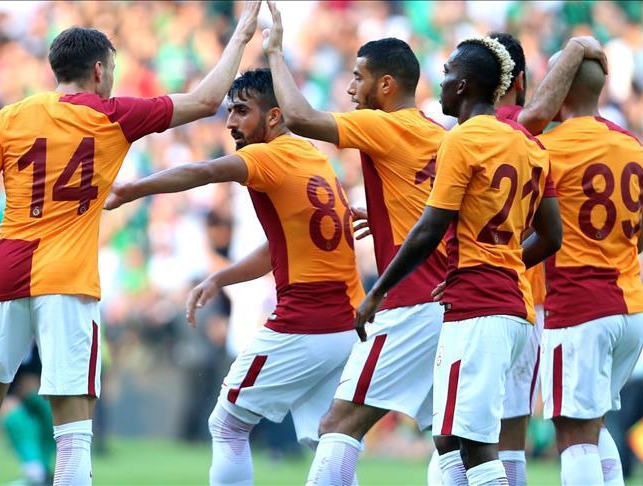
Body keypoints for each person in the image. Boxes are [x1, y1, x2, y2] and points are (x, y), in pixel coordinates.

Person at [0, 3, 262, 484]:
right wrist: (241, 35)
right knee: (73, 425)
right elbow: (207, 100)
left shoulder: (11, 117)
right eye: (113, 70)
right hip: (68, 279)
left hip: (6, 273)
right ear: (99, 71)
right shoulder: (115, 116)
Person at [104, 68, 363, 486]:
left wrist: (132, 190)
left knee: (227, 424)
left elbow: (206, 171)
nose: (230, 122)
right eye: (229, 111)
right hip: (345, 325)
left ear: (274, 116)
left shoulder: (268, 155)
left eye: (242, 111)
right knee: (329, 435)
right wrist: (220, 278)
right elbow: (280, 248)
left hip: (306, 322)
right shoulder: (313, 157)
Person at [355, 36, 562, 485]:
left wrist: (377, 292)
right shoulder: (530, 145)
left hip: (478, 307)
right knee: (449, 437)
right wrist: (503, 262)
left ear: (464, 85)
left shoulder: (461, 139)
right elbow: (551, 236)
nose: (441, 83)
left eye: (447, 74)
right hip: (514, 306)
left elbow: (429, 229)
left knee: (475, 444)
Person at [260, 3, 446, 483]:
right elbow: (438, 210)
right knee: (453, 440)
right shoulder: (436, 133)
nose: (350, 88)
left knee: (338, 425)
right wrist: (384, 217)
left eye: (359, 78)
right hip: (448, 301)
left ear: (387, 85)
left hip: (410, 303)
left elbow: (299, 117)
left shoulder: (386, 124)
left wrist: (275, 53)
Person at [479, 31, 608, 485]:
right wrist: (580, 49)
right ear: (520, 82)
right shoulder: (532, 137)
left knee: (463, 433)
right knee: (521, 429)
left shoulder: (478, 130)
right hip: (529, 297)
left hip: (480, 293)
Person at [536, 56, 643, 485]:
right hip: (632, 309)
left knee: (573, 435)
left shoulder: (547, 147)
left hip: (580, 309)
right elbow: (640, 239)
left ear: (561, 88)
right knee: (593, 426)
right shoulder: (634, 146)